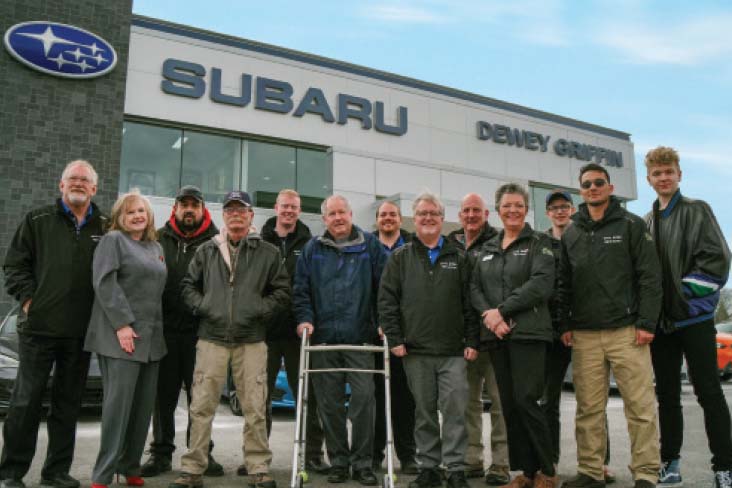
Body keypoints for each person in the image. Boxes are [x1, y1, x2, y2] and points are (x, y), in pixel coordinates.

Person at [171, 191, 290, 488]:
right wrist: (205, 307)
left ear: (251, 216)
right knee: (201, 404)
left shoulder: (268, 253)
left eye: (242, 210)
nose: (236, 214)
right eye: (230, 210)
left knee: (255, 406)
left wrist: (258, 310)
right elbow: (188, 286)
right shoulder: (207, 250)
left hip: (251, 339)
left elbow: (283, 291)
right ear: (223, 215)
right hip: (211, 337)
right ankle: (193, 469)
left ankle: (257, 468)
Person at [1, 160, 107, 488]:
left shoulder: (104, 226)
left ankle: (56, 472)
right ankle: (10, 472)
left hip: (79, 333)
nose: (78, 183)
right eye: (71, 178)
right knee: (25, 402)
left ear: (94, 188)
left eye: (84, 180)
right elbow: (14, 265)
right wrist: (31, 302)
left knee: (67, 405)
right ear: (61, 185)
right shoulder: (37, 220)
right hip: (38, 330)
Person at [559, 163, 662, 488]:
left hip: (628, 332)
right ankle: (591, 470)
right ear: (581, 190)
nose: (593, 188)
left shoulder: (631, 225)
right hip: (585, 335)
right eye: (587, 184)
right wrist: (565, 323)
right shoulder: (571, 232)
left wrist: (646, 322)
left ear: (610, 187)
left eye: (598, 182)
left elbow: (650, 276)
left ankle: (645, 473)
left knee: (640, 408)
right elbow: (564, 282)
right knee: (588, 409)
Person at [643, 146, 732, 488]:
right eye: (657, 173)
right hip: (662, 325)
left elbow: (717, 260)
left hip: (693, 321)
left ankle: (724, 467)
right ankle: (671, 464)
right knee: (666, 396)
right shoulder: (648, 221)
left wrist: (681, 298)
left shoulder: (698, 210)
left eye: (669, 171)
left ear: (679, 174)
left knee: (709, 391)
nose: (663, 178)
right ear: (649, 179)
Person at [379, 191, 479, 488]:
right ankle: (429, 468)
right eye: (422, 213)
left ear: (441, 217)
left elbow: (470, 303)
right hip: (415, 351)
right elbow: (387, 301)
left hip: (453, 351)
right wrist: (395, 338)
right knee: (423, 413)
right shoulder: (400, 257)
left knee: (454, 411)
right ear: (415, 217)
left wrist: (472, 340)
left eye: (433, 213)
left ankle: (456, 468)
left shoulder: (459, 257)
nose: (427, 218)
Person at [293, 195, 388, 486]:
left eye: (342, 212)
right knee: (329, 405)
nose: (337, 218)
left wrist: (383, 321)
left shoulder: (369, 245)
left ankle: (362, 463)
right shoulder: (313, 249)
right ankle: (338, 461)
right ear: (324, 219)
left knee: (363, 402)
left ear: (350, 213)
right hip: (324, 342)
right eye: (331, 214)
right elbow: (301, 291)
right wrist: (305, 319)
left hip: (360, 339)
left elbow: (384, 287)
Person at [470, 183, 557, 488]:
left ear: (526, 209)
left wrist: (502, 311)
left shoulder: (539, 243)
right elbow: (475, 288)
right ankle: (527, 472)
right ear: (498, 210)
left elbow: (541, 284)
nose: (513, 210)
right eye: (507, 205)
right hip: (497, 336)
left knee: (527, 400)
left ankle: (547, 470)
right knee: (509, 404)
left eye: (518, 205)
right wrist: (490, 317)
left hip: (530, 333)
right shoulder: (487, 248)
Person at [85, 190, 168, 488]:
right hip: (121, 338)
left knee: (141, 409)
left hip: (151, 342)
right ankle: (103, 474)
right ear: (120, 217)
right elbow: (104, 283)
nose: (137, 216)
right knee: (117, 410)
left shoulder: (155, 246)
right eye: (130, 211)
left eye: (141, 211)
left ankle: (130, 465)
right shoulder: (113, 241)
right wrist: (122, 324)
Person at [140, 186, 221, 478]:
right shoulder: (158, 238)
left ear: (203, 209)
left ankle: (202, 453)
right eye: (184, 205)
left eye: (194, 205)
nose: (189, 210)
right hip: (164, 332)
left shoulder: (217, 241)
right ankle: (161, 454)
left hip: (202, 333)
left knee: (202, 398)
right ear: (175, 208)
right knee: (163, 399)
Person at [539, 190, 615, 483]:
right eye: (554, 207)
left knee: (591, 399)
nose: (560, 211)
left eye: (564, 207)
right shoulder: (540, 243)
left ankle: (600, 463)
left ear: (572, 209)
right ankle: (551, 463)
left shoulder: (584, 237)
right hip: (552, 333)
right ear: (548, 212)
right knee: (549, 401)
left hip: (585, 328)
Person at [260, 189, 328, 475]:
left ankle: (313, 454)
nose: (289, 211)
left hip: (299, 332)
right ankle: (256, 456)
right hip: (265, 332)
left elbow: (315, 285)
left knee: (308, 397)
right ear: (276, 207)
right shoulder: (260, 240)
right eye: (285, 206)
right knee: (259, 398)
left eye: (294, 207)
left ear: (299, 210)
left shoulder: (311, 244)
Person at [448, 193, 509, 485]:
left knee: (499, 404)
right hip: (464, 339)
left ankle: (500, 464)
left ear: (486, 214)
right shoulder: (450, 243)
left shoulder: (498, 242)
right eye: (466, 210)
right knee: (467, 403)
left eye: (476, 210)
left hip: (495, 336)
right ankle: (472, 460)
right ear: (459, 215)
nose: (470, 215)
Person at [372, 201, 418, 474]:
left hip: (405, 336)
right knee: (375, 400)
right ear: (377, 220)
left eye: (392, 214)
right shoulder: (366, 248)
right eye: (383, 215)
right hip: (374, 336)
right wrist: (376, 323)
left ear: (401, 219)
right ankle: (374, 455)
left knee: (405, 400)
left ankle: (408, 455)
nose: (387, 218)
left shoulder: (413, 249)